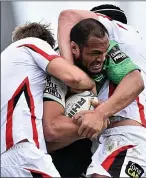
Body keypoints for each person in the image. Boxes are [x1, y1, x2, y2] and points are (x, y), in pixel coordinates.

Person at [57, 8, 146, 177]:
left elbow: (67, 16)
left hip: (128, 138)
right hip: (110, 141)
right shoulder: (132, 54)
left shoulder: (116, 31)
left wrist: (70, 72)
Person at [1, 22, 96, 177]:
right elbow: (75, 78)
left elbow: (50, 138)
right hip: (23, 153)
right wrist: (92, 89)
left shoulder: (7, 64)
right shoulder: (32, 43)